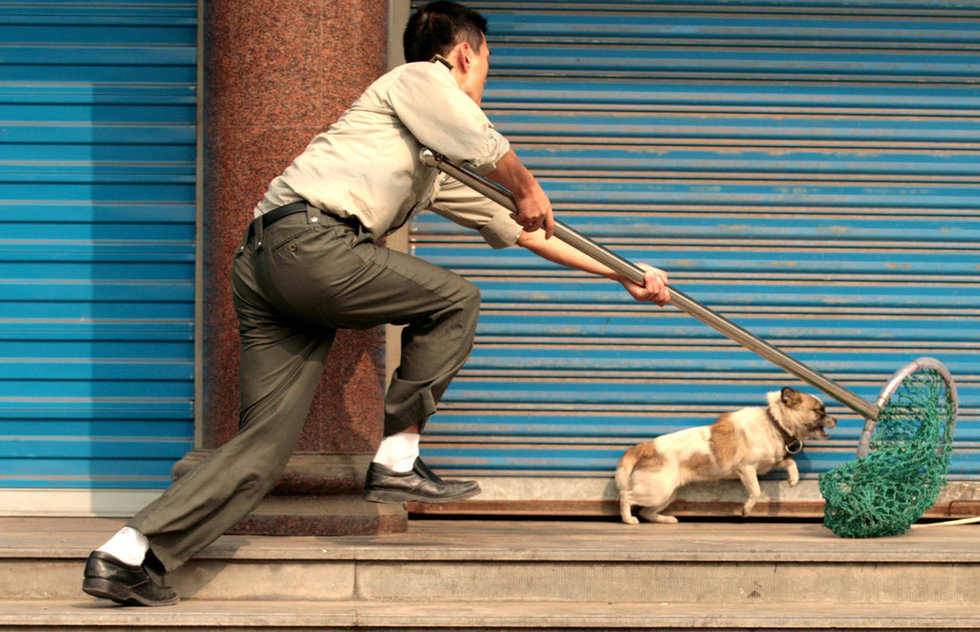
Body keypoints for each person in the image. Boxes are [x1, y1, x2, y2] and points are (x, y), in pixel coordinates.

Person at [81, 0, 671, 607]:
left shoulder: (426, 160)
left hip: (268, 262)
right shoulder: (417, 78)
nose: (484, 82)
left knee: (263, 451)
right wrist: (527, 183)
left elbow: (524, 230)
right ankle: (397, 458)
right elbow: (485, 147)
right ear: (463, 55)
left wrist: (621, 274)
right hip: (310, 244)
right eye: (487, 65)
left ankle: (126, 553)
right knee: (456, 299)